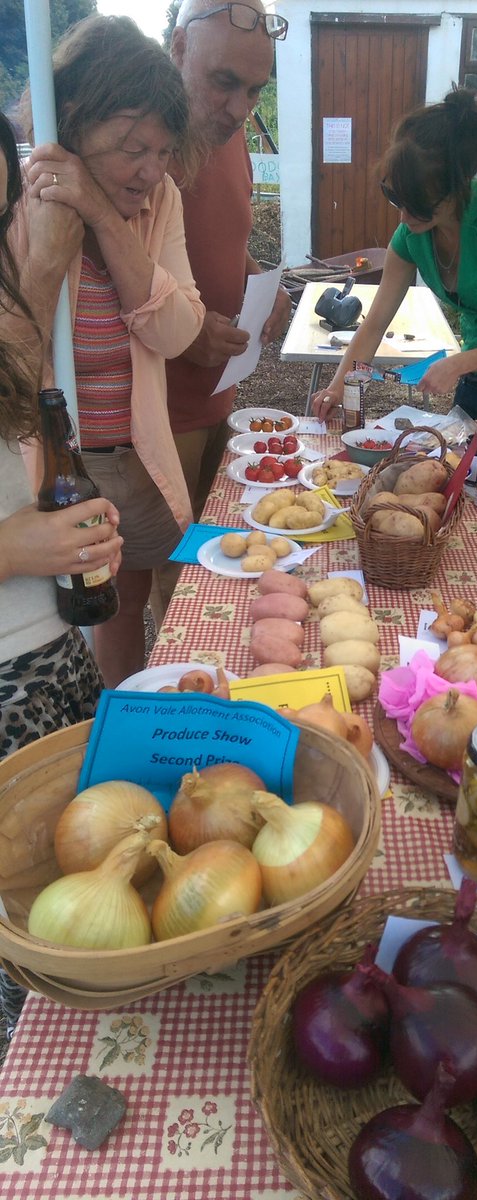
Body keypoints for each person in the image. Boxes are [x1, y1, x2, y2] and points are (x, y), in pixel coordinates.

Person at [10, 15, 205, 688]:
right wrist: (53, 237)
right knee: (78, 636)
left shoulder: (159, 202)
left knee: (149, 619)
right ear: (72, 123)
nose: (151, 170)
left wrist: (100, 210)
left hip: (138, 454)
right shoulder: (18, 203)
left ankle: (147, 737)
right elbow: (11, 366)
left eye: (162, 151)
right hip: (54, 468)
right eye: (130, 147)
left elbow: (177, 331)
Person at [0, 111, 124, 1034]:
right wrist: (19, 547)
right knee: (32, 944)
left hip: (50, 662)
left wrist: (69, 527)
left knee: (94, 895)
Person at [313, 87, 477, 440]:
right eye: (394, 198)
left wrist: (459, 363)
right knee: (460, 482)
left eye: (417, 204)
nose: (403, 217)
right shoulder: (412, 237)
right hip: (476, 375)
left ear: (457, 187)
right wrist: (336, 388)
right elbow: (374, 325)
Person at [150, 0, 292, 621]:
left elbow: (222, 239)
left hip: (219, 391)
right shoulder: (144, 137)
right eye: (223, 82)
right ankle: (156, 705)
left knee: (213, 556)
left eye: (256, 89)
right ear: (179, 51)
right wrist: (183, 333)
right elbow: (107, 267)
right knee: (166, 580)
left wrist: (260, 280)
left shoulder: (227, 135)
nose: (240, 109)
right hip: (156, 403)